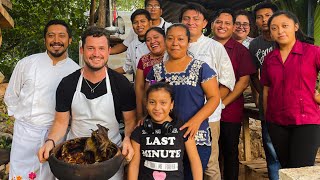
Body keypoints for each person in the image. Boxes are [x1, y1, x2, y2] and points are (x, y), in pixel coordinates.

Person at [38, 26, 136, 180]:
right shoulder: (68, 83)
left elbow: (130, 122)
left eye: (101, 48)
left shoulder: (121, 84)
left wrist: (128, 139)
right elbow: (61, 123)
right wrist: (50, 141)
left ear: (109, 50)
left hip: (110, 159)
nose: (96, 54)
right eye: (91, 48)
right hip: (74, 156)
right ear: (82, 50)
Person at [4, 20, 80, 180]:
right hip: (25, 136)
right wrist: (22, 121)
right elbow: (11, 95)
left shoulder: (76, 72)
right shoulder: (27, 63)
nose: (56, 40)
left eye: (62, 36)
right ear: (45, 39)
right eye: (51, 35)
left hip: (57, 137)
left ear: (70, 40)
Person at [146, 23, 221, 180]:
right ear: (165, 41)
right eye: (170, 39)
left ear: (188, 42)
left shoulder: (201, 68)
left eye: (180, 39)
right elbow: (149, 100)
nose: (175, 43)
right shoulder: (156, 71)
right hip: (164, 139)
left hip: (195, 135)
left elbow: (214, 98)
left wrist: (196, 121)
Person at [178, 3, 235, 180]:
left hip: (209, 118)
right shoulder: (175, 47)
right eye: (186, 18)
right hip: (178, 116)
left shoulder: (214, 47)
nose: (191, 22)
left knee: (209, 163)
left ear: (205, 23)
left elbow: (226, 82)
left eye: (196, 19)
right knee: (180, 160)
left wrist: (209, 106)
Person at [261, 10, 320, 170]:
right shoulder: (270, 58)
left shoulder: (313, 52)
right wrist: (268, 118)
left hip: (306, 121)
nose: (280, 31)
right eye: (274, 28)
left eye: (284, 26)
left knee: (300, 170)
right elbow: (266, 90)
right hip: (276, 122)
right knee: (286, 169)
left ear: (295, 26)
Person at [211, 9, 256, 180]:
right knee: (210, 154)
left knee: (229, 152)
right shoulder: (203, 45)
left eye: (227, 23)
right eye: (219, 22)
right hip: (203, 112)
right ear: (212, 24)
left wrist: (221, 103)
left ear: (232, 28)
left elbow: (243, 83)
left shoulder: (240, 51)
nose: (222, 26)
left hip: (229, 111)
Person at [128, 82, 203, 180]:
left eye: (163, 103)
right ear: (146, 104)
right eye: (152, 102)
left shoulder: (183, 129)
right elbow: (134, 166)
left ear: (171, 104)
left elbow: (195, 162)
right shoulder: (139, 131)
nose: (157, 108)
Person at [249, 2, 281, 180]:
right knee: (270, 147)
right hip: (267, 103)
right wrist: (262, 94)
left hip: (289, 103)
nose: (264, 20)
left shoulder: (285, 39)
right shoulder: (255, 44)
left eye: (267, 15)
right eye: (259, 17)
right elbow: (253, 74)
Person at [135, 27, 166, 120]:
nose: (152, 41)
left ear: (165, 38)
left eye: (156, 37)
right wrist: (140, 114)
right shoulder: (144, 60)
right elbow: (139, 88)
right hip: (150, 109)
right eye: (148, 40)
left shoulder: (172, 57)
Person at [114, 9, 151, 75]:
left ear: (150, 23)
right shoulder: (132, 45)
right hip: (138, 83)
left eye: (142, 21)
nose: (139, 25)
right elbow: (127, 68)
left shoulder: (157, 42)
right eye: (135, 22)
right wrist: (107, 73)